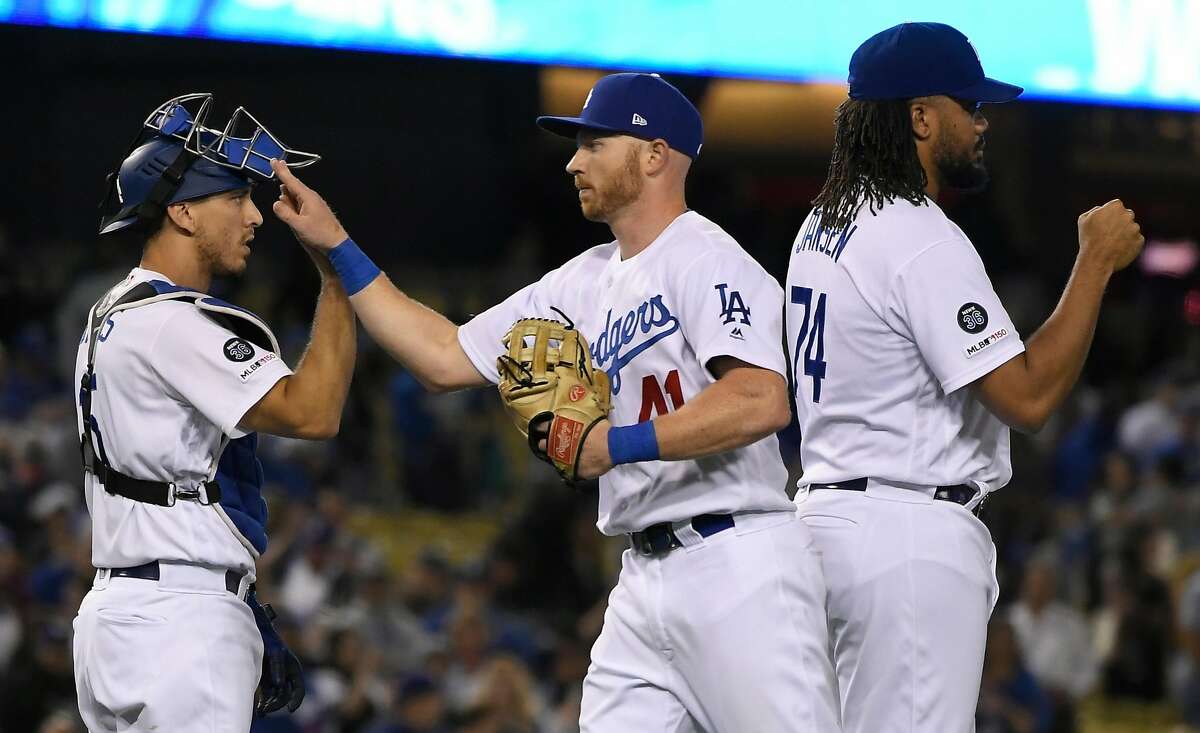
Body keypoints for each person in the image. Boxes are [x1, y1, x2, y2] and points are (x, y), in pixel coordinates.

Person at [267, 72, 840, 731]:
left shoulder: (706, 258)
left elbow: (761, 399)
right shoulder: (584, 279)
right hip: (643, 575)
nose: (573, 161)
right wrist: (339, 245)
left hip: (737, 561)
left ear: (654, 154)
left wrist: (614, 444)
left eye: (595, 144)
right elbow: (445, 356)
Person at [782, 22, 1144, 732]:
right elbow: (1030, 397)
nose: (981, 124)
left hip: (824, 523)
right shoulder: (919, 235)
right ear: (919, 115)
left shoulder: (820, 223)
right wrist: (1094, 262)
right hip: (905, 538)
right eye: (967, 106)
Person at [71, 93, 357, 732]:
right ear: (182, 212)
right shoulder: (175, 322)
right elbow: (313, 414)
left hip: (118, 615)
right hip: (179, 619)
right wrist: (336, 274)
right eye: (235, 198)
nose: (255, 216)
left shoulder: (112, 311)